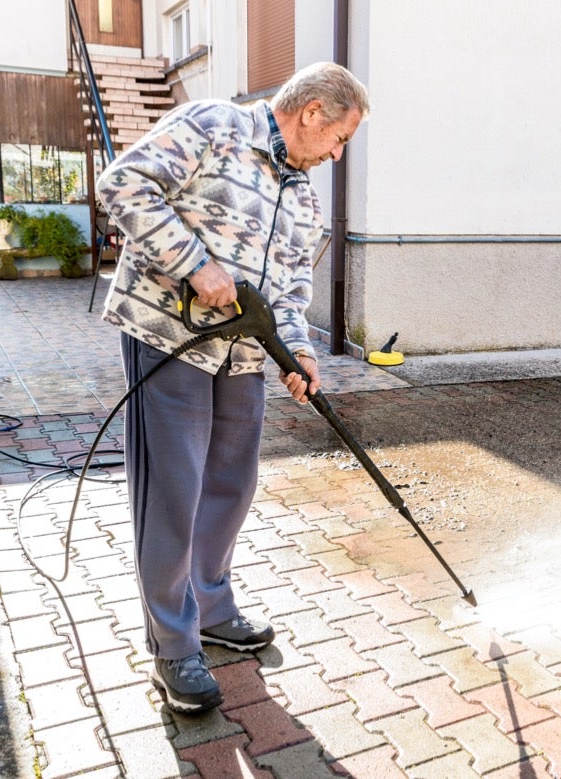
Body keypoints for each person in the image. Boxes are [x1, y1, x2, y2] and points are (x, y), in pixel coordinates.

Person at [98, 62, 369, 714]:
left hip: (244, 359)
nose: (337, 154)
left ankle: (212, 606)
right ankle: (173, 646)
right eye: (339, 138)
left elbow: (293, 284)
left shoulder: (300, 192)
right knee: (173, 492)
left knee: (230, 484)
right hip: (172, 343)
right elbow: (122, 184)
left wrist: (299, 347)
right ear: (311, 113)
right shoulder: (215, 125)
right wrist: (195, 265)